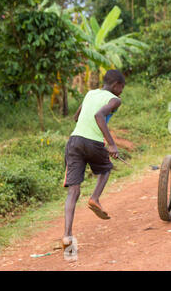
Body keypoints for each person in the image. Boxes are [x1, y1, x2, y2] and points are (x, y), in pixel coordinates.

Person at [62, 70, 125, 249]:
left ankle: (67, 236)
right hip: (93, 142)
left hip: (74, 141)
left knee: (73, 191)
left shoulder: (90, 93)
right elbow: (99, 116)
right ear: (116, 85)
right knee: (105, 169)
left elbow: (76, 117)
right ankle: (95, 198)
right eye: (122, 88)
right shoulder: (115, 100)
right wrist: (111, 145)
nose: (122, 91)